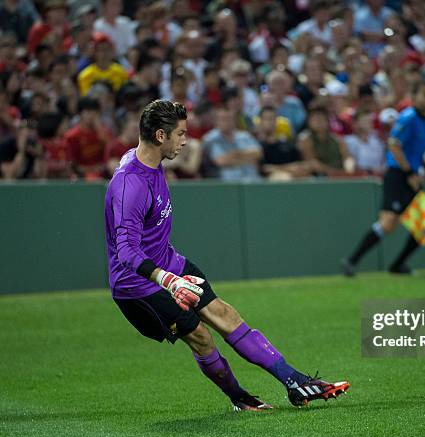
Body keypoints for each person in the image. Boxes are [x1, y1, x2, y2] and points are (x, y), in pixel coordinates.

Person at [104, 99, 349, 412]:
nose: (185, 140)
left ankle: (295, 382)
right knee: (202, 337)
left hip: (169, 263)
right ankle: (240, 398)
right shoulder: (131, 184)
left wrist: (173, 275)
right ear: (160, 136)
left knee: (225, 314)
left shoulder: (149, 163)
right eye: (180, 134)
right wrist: (169, 282)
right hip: (139, 285)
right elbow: (126, 252)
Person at [342, 84, 425, 276]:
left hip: (412, 174)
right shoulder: (408, 117)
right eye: (424, 94)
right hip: (398, 174)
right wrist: (409, 173)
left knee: (423, 224)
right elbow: (394, 145)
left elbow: (414, 149)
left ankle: (397, 265)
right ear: (414, 96)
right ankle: (352, 261)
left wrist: (422, 167)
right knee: (388, 222)